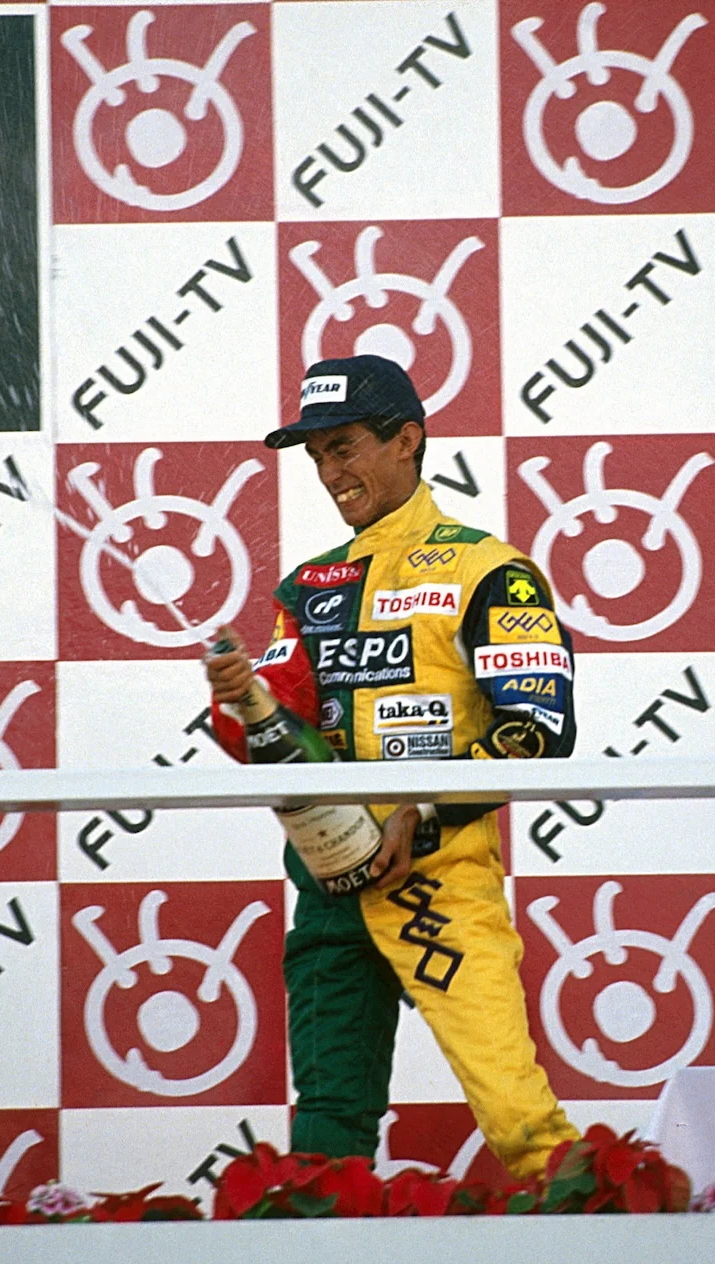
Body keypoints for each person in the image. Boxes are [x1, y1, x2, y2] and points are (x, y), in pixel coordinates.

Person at [203, 354, 581, 1179]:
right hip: (332, 890)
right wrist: (242, 703)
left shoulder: (491, 569)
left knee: (521, 1120)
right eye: (318, 456)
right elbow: (278, 737)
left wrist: (427, 813)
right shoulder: (308, 588)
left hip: (439, 881)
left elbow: (539, 728)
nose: (330, 472)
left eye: (344, 447)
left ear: (407, 439)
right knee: (328, 1134)